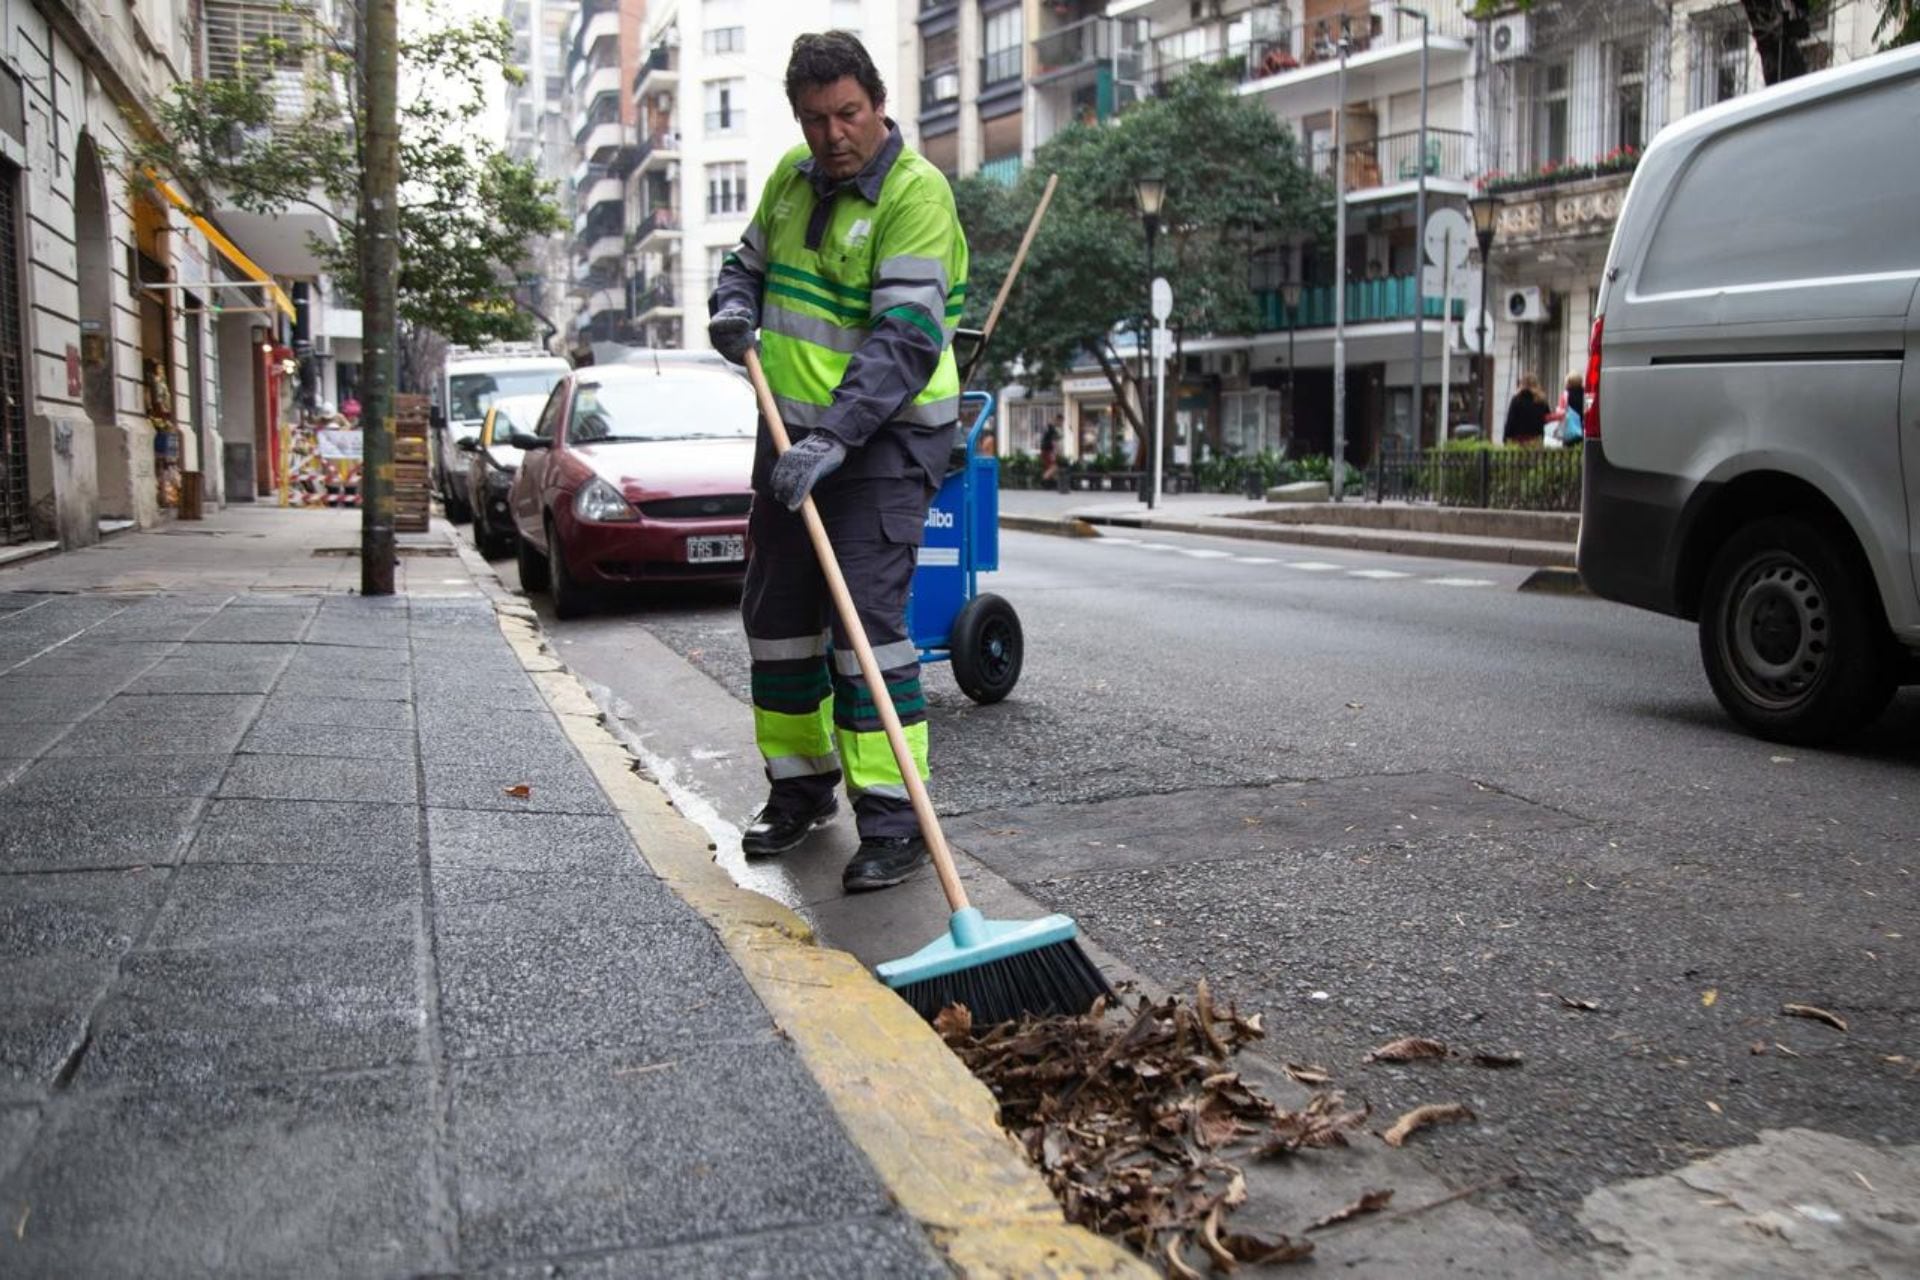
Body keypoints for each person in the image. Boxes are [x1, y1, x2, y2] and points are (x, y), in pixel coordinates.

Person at [707, 31, 968, 894]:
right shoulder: (789, 178)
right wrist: (731, 310)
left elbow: (906, 338)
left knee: (865, 632)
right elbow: (743, 267)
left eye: (848, 113)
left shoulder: (914, 194)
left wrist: (837, 437)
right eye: (816, 118)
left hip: (883, 441)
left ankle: (893, 819)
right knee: (778, 620)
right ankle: (799, 791)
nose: (833, 134)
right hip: (790, 436)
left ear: (878, 103)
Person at [1502, 371, 1549, 445]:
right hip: (1536, 439)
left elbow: (1510, 420)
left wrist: (1505, 438)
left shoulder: (1517, 399)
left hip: (1518, 440)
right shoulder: (1541, 400)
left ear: (1522, 384)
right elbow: (1546, 419)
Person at [1546, 372, 1585, 447]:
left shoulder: (1566, 394)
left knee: (1569, 450)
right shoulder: (1585, 393)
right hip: (1583, 427)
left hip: (1570, 428)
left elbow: (1560, 411)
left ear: (1569, 382)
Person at [1039, 417, 1061, 487]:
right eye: (1061, 422)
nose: (1061, 424)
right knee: (1054, 467)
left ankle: (1052, 483)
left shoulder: (1049, 428)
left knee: (1052, 468)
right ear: (1058, 420)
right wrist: (1056, 452)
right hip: (1048, 450)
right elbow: (1054, 441)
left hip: (1045, 450)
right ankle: (1044, 480)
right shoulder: (1052, 429)